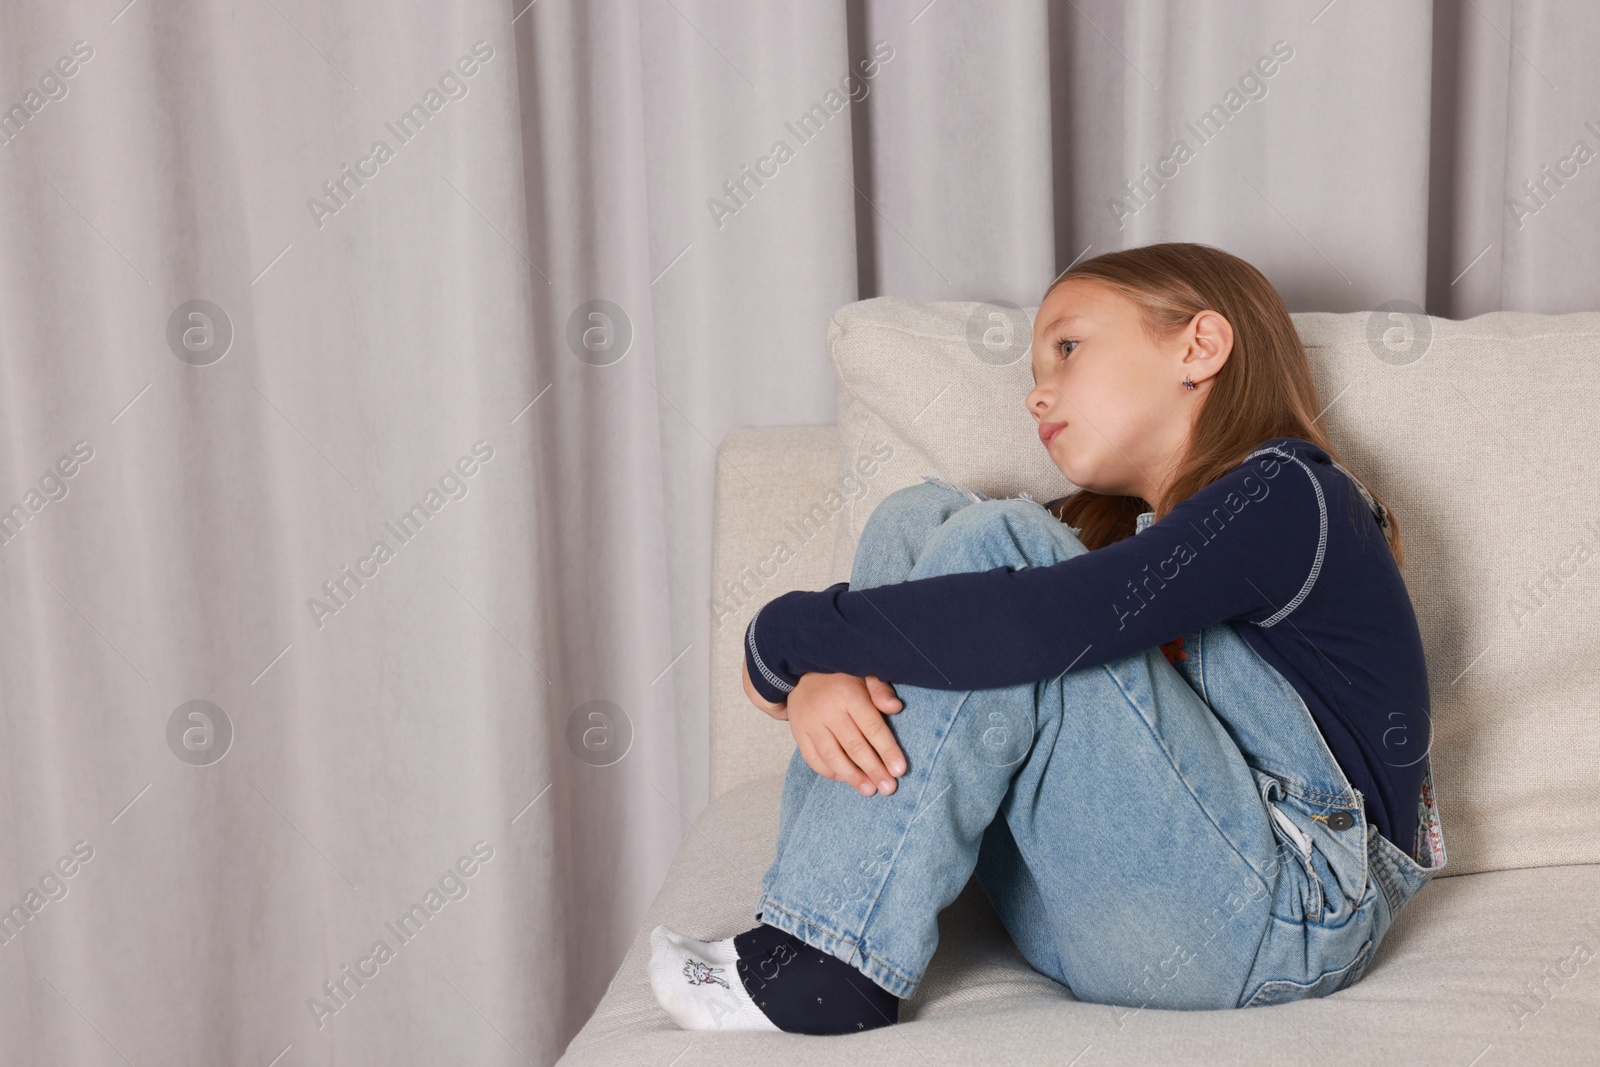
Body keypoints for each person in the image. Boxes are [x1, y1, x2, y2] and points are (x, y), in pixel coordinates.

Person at [648, 242, 1447, 1035]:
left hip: (1279, 920)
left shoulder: (1291, 496)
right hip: (1094, 911)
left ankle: (828, 962)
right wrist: (827, 676)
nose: (1037, 395)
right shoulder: (1118, 538)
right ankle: (813, 917)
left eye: (1067, 347)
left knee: (999, 548)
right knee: (916, 519)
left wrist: (787, 634)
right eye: (1036, 371)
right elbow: (981, 626)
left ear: (1198, 347)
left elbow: (1040, 619)